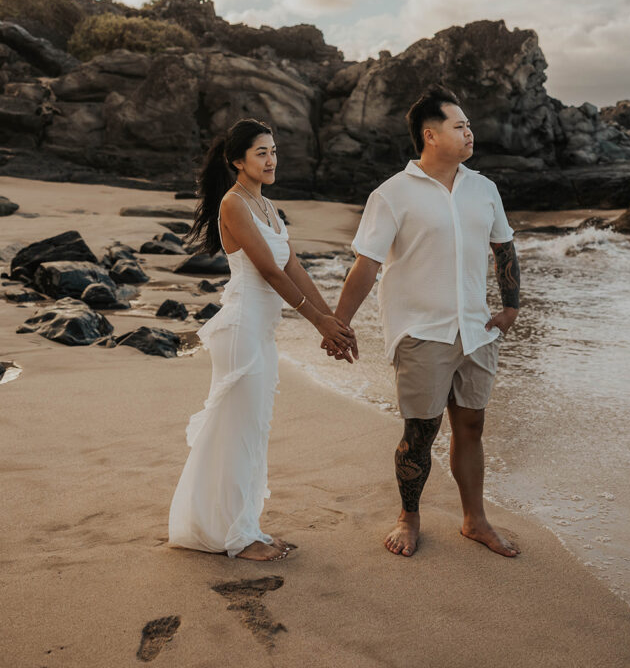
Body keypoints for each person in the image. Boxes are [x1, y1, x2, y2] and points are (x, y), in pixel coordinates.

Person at [329, 84, 520, 558]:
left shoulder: (484, 188)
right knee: (420, 432)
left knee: (471, 426)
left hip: (476, 330)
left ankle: (474, 520)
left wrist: (511, 306)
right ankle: (408, 517)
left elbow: (505, 248)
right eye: (460, 126)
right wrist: (338, 323)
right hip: (421, 331)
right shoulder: (392, 194)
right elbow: (367, 264)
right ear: (431, 136)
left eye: (469, 124)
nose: (469, 132)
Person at [169, 118, 357, 562]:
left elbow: (293, 267)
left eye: (273, 151)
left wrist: (334, 322)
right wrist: (318, 324)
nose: (271, 160)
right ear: (238, 160)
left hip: (261, 332)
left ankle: (241, 526)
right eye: (261, 153)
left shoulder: (268, 207)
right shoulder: (234, 204)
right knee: (236, 433)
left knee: (251, 432)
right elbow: (269, 273)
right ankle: (235, 537)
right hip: (240, 330)